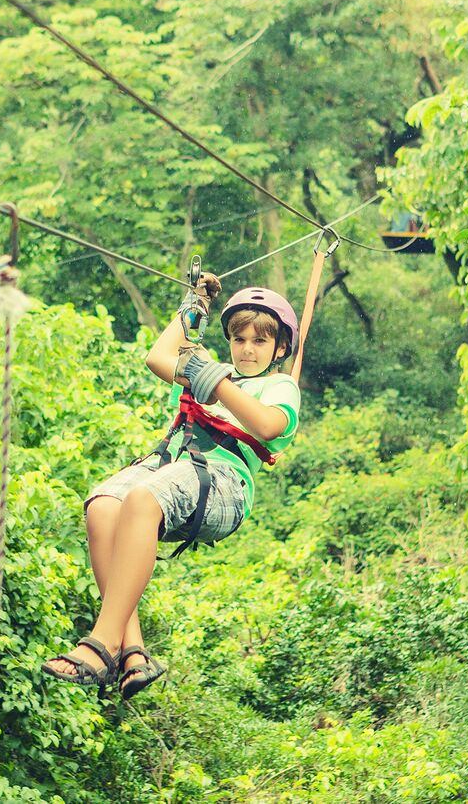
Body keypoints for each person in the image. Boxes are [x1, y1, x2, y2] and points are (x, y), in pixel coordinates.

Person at [40, 273, 301, 699]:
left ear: (280, 348)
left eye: (260, 341)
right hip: (175, 466)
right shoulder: (211, 375)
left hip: (223, 484)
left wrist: (214, 381)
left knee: (144, 499)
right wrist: (195, 304)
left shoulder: (279, 387)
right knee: (103, 505)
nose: (248, 349)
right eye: (240, 340)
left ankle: (101, 644)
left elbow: (268, 424)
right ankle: (132, 652)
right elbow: (158, 357)